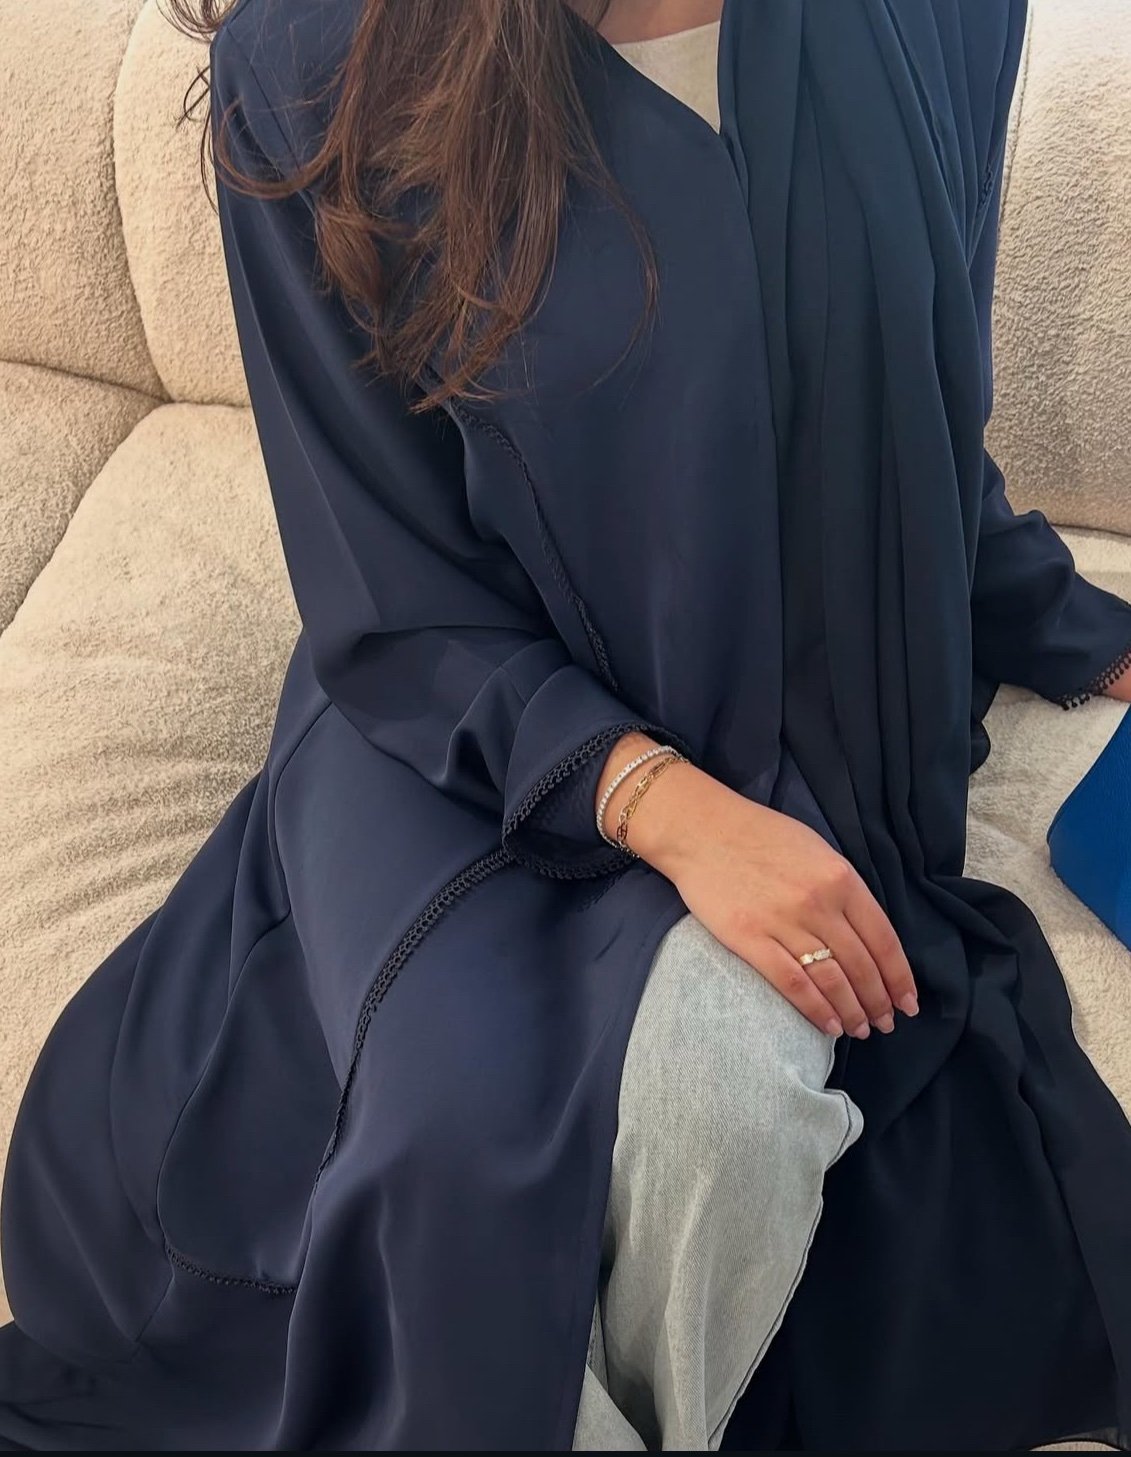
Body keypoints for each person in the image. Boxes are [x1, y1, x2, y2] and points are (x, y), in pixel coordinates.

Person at [2, 0, 1131, 1449]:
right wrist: (674, 809)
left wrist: (1076, 624)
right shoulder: (312, 66)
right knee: (464, 1153)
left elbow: (912, 405)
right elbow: (390, 590)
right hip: (463, 721)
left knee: (730, 1107)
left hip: (804, 708)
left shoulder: (935, 19)